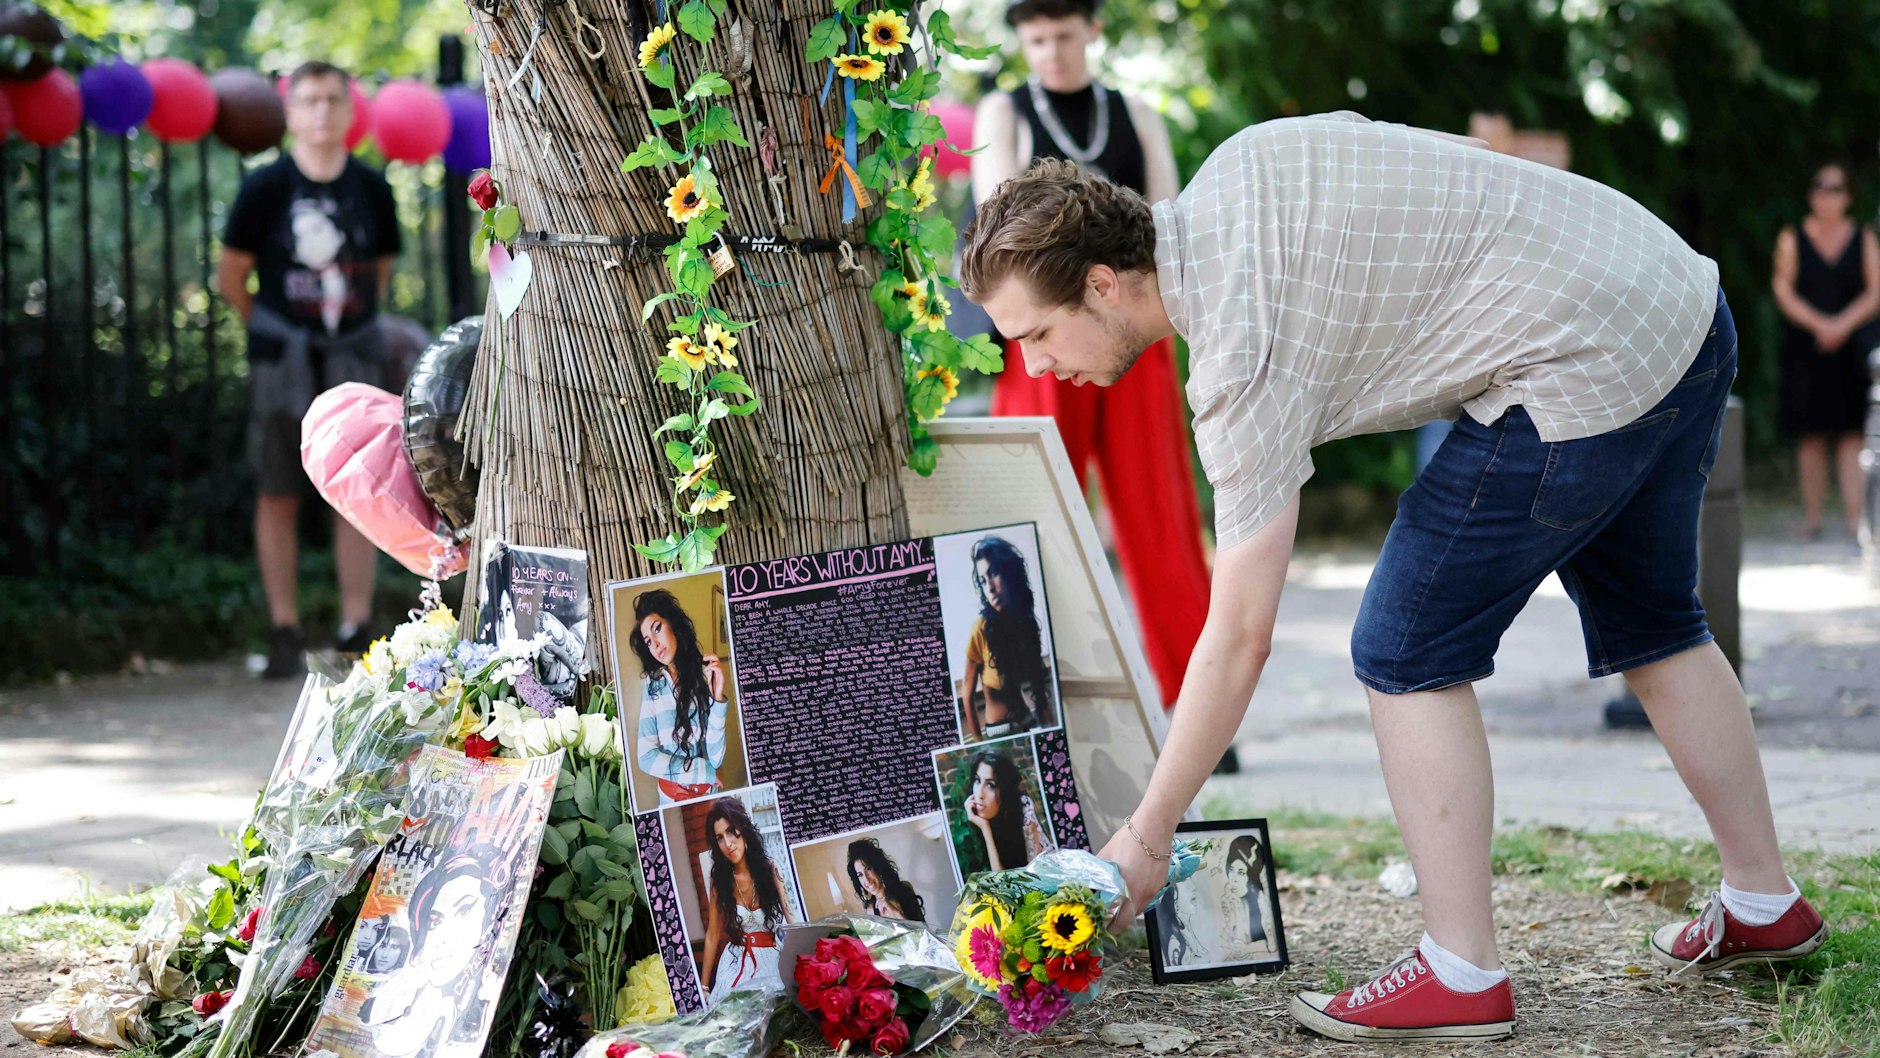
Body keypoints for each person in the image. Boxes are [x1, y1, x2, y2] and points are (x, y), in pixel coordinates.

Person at [960, 114, 1826, 1043]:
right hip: (1675, 306)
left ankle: (1461, 972)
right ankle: (1763, 901)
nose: (1038, 365)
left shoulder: (1236, 359)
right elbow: (1451, 161)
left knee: (1404, 642)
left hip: (1576, 363)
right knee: (1656, 621)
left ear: (1102, 282)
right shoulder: (1242, 164)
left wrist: (1145, 836)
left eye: (1040, 334)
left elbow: (1241, 634)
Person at [972, 0, 1214, 731]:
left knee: (1159, 510)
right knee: (1032, 515)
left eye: (1063, 36)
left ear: (1091, 32)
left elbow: (1171, 212)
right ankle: (1024, 695)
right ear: (1022, 40)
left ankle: (1196, 697)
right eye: (1036, 39)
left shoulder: (1133, 112)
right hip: (1046, 333)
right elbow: (999, 230)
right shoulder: (1004, 111)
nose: (1051, 51)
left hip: (1132, 325)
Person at [220, 60, 402, 678]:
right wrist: (277, 330)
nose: (321, 112)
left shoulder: (373, 190)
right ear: (290, 112)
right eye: (309, 101)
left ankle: (357, 629)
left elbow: (378, 275)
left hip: (353, 355)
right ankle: (284, 630)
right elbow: (230, 278)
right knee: (278, 490)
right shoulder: (264, 188)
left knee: (361, 489)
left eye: (332, 100)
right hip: (283, 361)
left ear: (350, 112)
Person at [1773, 161, 1879, 540]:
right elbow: (1783, 289)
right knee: (1811, 435)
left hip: (1852, 348)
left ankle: (1855, 522)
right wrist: (1820, 325)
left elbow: (1875, 290)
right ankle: (1813, 519)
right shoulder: (1792, 237)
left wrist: (1841, 325)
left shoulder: (1863, 236)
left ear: (1848, 196)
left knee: (1852, 435)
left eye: (1834, 187)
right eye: (1819, 186)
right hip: (1807, 346)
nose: (1826, 194)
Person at [358, 856, 509, 1057]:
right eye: (434, 922)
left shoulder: (482, 989)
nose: (444, 937)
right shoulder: (412, 992)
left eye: (464, 910)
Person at [628, 589, 731, 805]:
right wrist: (703, 771)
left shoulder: (704, 675)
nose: (654, 645)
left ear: (673, 624)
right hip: (670, 799)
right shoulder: (652, 685)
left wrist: (718, 699)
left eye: (657, 629)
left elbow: (716, 757)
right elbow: (646, 758)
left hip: (707, 795)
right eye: (648, 641)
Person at [699, 797, 794, 1005]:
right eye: (720, 838)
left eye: (732, 831)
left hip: (770, 960)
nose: (728, 843)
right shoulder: (720, 880)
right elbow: (713, 933)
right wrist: (704, 987)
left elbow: (792, 919)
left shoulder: (770, 869)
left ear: (743, 829)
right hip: (734, 962)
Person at [959, 536, 1056, 739]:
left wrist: (1049, 726)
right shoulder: (981, 628)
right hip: (1000, 730)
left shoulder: (1025, 623)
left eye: (993, 574)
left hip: (1027, 721)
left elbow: (1038, 685)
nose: (990, 588)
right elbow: (967, 697)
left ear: (1010, 573)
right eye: (983, 581)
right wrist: (978, 744)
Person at [953, 747, 1053, 875]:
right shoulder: (975, 819)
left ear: (1004, 790)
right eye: (978, 781)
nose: (979, 794)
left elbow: (1035, 877)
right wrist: (985, 829)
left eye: (990, 785)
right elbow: (1001, 881)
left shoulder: (1022, 809)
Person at [846, 838, 926, 922]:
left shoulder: (904, 891)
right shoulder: (870, 911)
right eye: (860, 875)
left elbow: (923, 932)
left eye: (868, 869)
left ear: (878, 866)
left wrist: (894, 912)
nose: (867, 879)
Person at [1217, 835, 1268, 954]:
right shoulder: (1228, 900)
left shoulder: (1262, 901)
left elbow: (1270, 948)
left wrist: (1246, 948)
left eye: (1241, 872)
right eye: (1231, 870)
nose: (1233, 879)